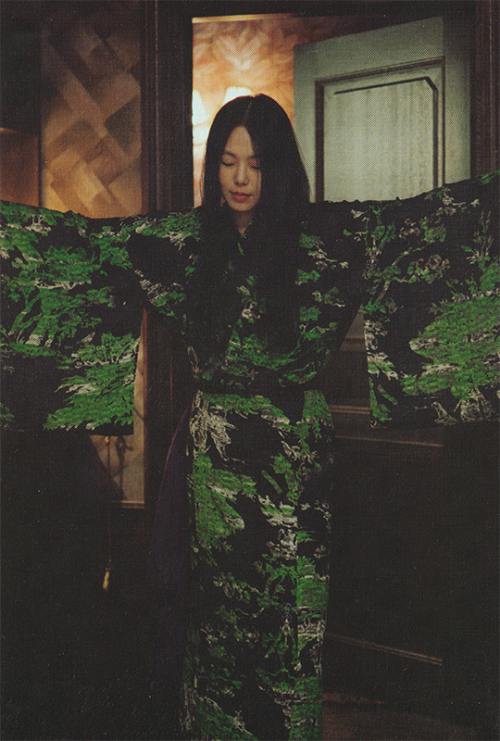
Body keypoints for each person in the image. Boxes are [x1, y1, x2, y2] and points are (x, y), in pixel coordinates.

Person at [1, 94, 500, 741]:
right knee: (216, 624)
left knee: (288, 616)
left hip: (293, 452)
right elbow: (97, 249)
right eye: (228, 162)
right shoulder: (189, 243)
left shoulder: (321, 241)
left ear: (278, 169)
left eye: (255, 163)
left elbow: (415, 236)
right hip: (216, 457)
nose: (239, 178)